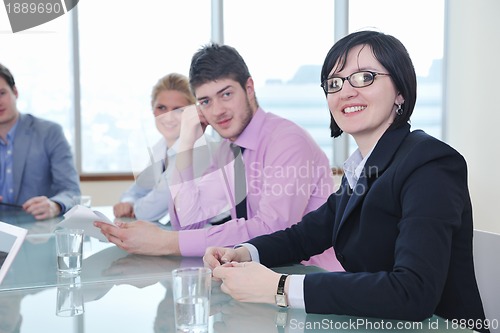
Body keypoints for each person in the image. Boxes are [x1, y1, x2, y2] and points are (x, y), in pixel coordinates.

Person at [203, 30, 488, 332]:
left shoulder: (430, 163)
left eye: (365, 77)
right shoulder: (364, 168)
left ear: (400, 91)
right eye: (335, 83)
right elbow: (305, 236)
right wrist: (243, 251)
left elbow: (413, 291)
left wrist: (280, 287)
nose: (346, 91)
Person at [96, 43, 341, 271]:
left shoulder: (286, 140)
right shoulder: (227, 149)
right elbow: (187, 222)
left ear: (249, 88)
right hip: (256, 277)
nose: (217, 111)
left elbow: (272, 229)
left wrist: (165, 242)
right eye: (205, 101)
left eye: (226, 94)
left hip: (309, 278)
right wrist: (187, 145)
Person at [113, 73, 207, 221]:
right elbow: (139, 188)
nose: (168, 117)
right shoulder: (161, 147)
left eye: (178, 109)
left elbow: (152, 209)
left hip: (218, 235)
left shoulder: (198, 148)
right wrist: (128, 201)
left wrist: (133, 208)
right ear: (152, 109)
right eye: (162, 108)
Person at [0, 63, 80, 220]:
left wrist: (54, 205)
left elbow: (72, 191)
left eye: (1, 93)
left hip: (39, 232)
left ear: (15, 92)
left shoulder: (50, 133)